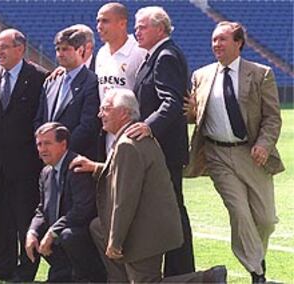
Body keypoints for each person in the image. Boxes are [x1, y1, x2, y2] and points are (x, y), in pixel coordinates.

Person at [70, 89, 227, 283]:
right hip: (153, 222)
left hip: (146, 228)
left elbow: (124, 198)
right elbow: (127, 174)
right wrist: (96, 167)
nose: (100, 114)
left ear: (124, 113)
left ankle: (208, 279)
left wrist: (115, 240)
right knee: (98, 227)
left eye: (106, 109)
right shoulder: (130, 138)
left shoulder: (127, 144)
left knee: (147, 282)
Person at [184, 21, 284, 283]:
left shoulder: (261, 74)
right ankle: (256, 272)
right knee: (239, 211)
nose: (216, 44)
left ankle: (256, 257)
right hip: (217, 155)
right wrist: (192, 114)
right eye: (214, 39)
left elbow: (272, 118)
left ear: (238, 43)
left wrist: (264, 143)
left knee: (265, 219)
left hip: (252, 154)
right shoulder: (201, 76)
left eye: (223, 39)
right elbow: (196, 116)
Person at [125, 6, 195, 276]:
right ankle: (178, 271)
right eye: (136, 25)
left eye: (142, 26)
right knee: (169, 210)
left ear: (160, 28)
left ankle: (181, 272)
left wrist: (147, 126)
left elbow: (171, 102)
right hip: (159, 150)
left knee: (173, 210)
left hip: (165, 151)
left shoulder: (165, 55)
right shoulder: (153, 55)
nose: (137, 30)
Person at [0, 29, 47, 282]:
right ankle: (1, 267)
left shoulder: (39, 77)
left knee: (25, 217)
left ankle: (26, 269)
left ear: (20, 49)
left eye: (4, 47)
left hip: (26, 163)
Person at [25, 122, 106, 282]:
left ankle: (87, 278)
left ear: (63, 144)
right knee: (34, 234)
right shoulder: (46, 172)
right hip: (61, 233)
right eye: (39, 144)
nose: (42, 149)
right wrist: (32, 232)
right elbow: (42, 209)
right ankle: (62, 273)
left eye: (47, 143)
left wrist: (52, 232)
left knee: (68, 236)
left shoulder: (77, 167)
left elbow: (82, 210)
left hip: (81, 233)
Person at [34, 27, 101, 160]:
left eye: (65, 49)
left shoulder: (92, 82)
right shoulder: (51, 81)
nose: (60, 54)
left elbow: (88, 125)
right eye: (58, 49)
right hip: (49, 161)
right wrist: (45, 145)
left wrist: (61, 150)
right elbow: (39, 119)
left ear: (80, 50)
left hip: (76, 160)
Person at [95, 2, 146, 159]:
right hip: (108, 129)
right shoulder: (102, 53)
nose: (99, 26)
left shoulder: (139, 51)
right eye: (98, 21)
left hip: (132, 129)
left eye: (105, 21)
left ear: (122, 23)